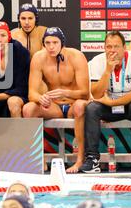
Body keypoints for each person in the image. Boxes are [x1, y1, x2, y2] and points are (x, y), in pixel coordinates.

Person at [80, 31, 131, 173]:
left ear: (125, 47)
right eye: (109, 47)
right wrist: (107, 71)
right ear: (104, 47)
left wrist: (112, 102)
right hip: (109, 106)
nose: (112, 51)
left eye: (116, 46)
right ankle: (93, 159)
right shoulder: (96, 62)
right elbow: (96, 94)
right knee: (92, 108)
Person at [23, 27, 89, 173]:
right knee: (28, 109)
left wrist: (66, 92)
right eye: (47, 43)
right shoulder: (39, 58)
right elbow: (31, 93)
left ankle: (80, 160)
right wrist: (40, 98)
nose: (51, 47)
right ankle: (39, 159)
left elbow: (85, 94)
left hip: (73, 104)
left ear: (62, 43)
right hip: (55, 107)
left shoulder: (77, 56)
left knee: (80, 106)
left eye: (55, 42)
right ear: (43, 44)